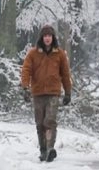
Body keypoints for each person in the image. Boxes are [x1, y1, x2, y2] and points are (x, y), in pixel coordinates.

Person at [20, 25, 72, 162]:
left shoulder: (60, 54)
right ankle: (43, 150)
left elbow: (65, 74)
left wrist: (68, 92)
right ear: (41, 38)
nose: (47, 38)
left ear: (53, 38)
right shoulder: (33, 53)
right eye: (45, 36)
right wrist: (25, 87)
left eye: (49, 36)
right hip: (37, 93)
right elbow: (26, 70)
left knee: (50, 121)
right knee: (40, 123)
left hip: (53, 92)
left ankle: (50, 148)